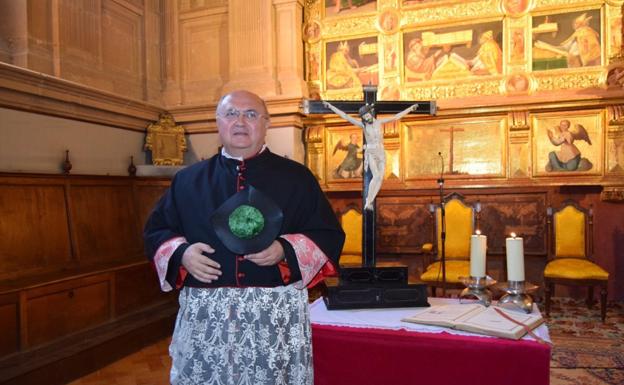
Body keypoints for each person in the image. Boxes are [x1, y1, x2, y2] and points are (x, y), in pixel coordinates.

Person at [144, 90, 345, 384]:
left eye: (251, 114)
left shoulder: (297, 178)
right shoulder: (188, 180)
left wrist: (285, 249)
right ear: (218, 123)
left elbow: (326, 233)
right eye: (231, 114)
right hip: (208, 312)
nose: (240, 121)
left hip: (272, 312)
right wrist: (182, 253)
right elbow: (156, 230)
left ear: (266, 124)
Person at [322, 101, 418, 210]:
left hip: (381, 152)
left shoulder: (379, 122)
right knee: (376, 176)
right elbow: (345, 116)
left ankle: (370, 200)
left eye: (367, 115)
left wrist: (410, 109)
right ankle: (369, 201)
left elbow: (396, 117)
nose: (366, 118)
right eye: (364, 116)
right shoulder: (363, 125)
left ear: (371, 113)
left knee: (380, 178)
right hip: (371, 152)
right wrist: (330, 107)